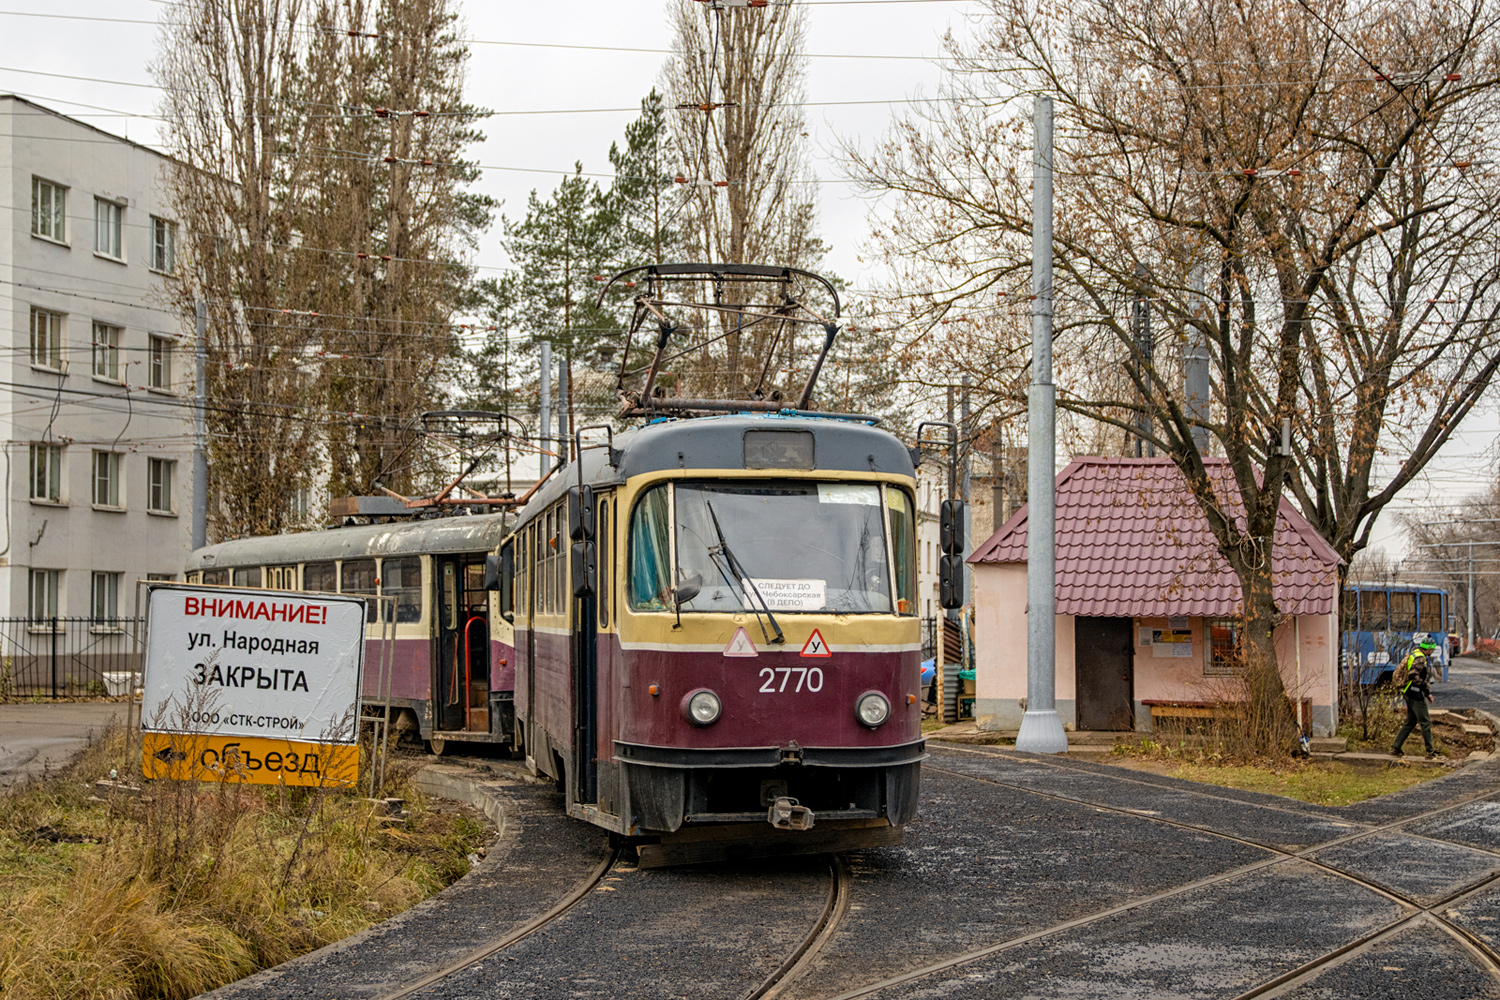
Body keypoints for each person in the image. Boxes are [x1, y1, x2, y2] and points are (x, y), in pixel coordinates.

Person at [1391, 636, 1439, 758]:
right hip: (1415, 693)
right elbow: (1414, 675)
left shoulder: (1415, 653)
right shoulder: (1420, 658)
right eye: (1432, 649)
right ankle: (1430, 751)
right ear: (1428, 649)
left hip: (1408, 691)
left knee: (1411, 722)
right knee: (1426, 722)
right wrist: (1423, 688)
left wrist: (1427, 693)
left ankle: (1396, 747)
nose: (1432, 652)